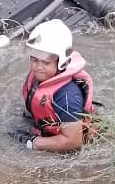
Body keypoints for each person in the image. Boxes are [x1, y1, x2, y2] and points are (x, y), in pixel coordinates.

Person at [20, 19, 95, 154]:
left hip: (70, 144)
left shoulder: (67, 98)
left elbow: (73, 142)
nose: (38, 67)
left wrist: (32, 142)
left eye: (46, 62)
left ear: (61, 62)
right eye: (34, 59)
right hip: (46, 127)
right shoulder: (41, 75)